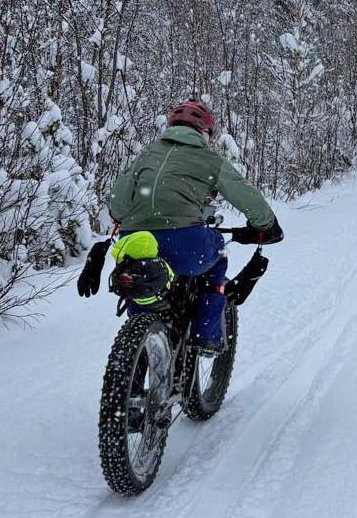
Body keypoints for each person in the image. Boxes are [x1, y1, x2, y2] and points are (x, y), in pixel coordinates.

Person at [104, 100, 281, 357]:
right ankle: (206, 335)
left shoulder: (148, 154)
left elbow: (118, 203)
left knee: (142, 282)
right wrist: (266, 225)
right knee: (217, 257)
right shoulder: (209, 158)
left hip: (136, 241)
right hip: (184, 242)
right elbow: (245, 195)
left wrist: (123, 217)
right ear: (204, 132)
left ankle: (136, 352)